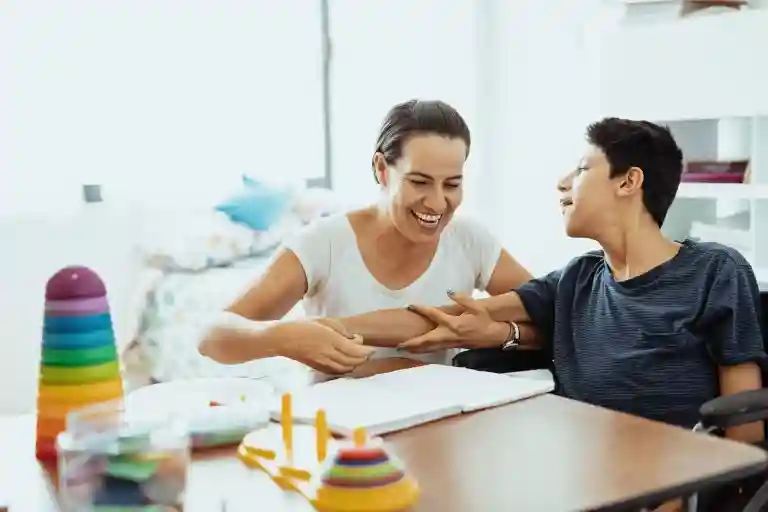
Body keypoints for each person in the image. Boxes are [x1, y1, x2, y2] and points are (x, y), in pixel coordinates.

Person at [227, 118, 766, 446]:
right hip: (579, 468)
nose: (562, 183)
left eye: (581, 169)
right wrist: (328, 331)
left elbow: (743, 427)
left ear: (630, 182)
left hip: (674, 476)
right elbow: (446, 317)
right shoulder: (577, 280)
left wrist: (713, 488)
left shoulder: (715, 271)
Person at [199, 99, 537, 374]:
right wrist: (282, 337)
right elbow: (212, 336)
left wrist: (499, 333)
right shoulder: (324, 243)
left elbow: (553, 315)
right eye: (419, 182)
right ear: (382, 169)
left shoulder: (469, 240)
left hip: (443, 418)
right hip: (344, 425)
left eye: (451, 184)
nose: (437, 203)